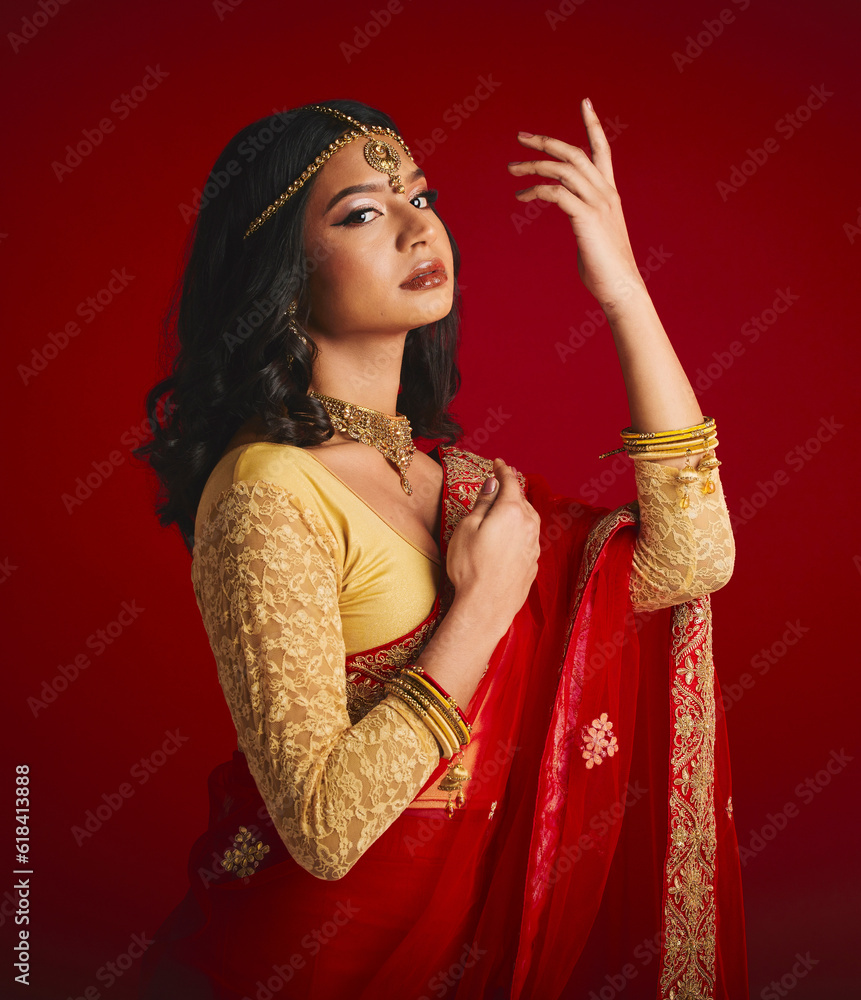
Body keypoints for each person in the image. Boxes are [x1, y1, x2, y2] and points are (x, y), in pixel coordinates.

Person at [135, 99, 749, 999]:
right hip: (305, 965)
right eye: (363, 213)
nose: (419, 226)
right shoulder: (267, 491)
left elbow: (693, 559)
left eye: (421, 196)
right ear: (281, 272)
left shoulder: (457, 481)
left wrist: (622, 289)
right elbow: (323, 827)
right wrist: (483, 608)